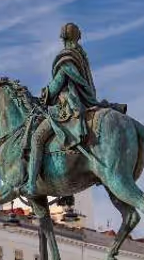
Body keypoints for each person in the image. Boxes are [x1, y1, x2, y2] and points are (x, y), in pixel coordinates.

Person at [22, 22, 99, 196]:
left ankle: (32, 184)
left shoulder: (66, 58)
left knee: (36, 138)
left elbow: (57, 84)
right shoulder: (80, 56)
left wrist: (44, 94)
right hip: (85, 101)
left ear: (64, 38)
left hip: (67, 107)